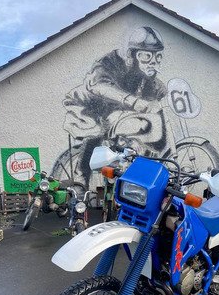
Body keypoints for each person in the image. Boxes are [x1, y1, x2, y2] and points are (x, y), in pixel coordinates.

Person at [62, 26, 168, 187]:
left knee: (140, 131)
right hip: (88, 104)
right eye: (146, 55)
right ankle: (80, 177)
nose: (153, 61)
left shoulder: (146, 78)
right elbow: (98, 85)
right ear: (132, 54)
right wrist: (134, 101)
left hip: (116, 111)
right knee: (96, 130)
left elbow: (158, 94)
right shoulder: (109, 62)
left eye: (157, 56)